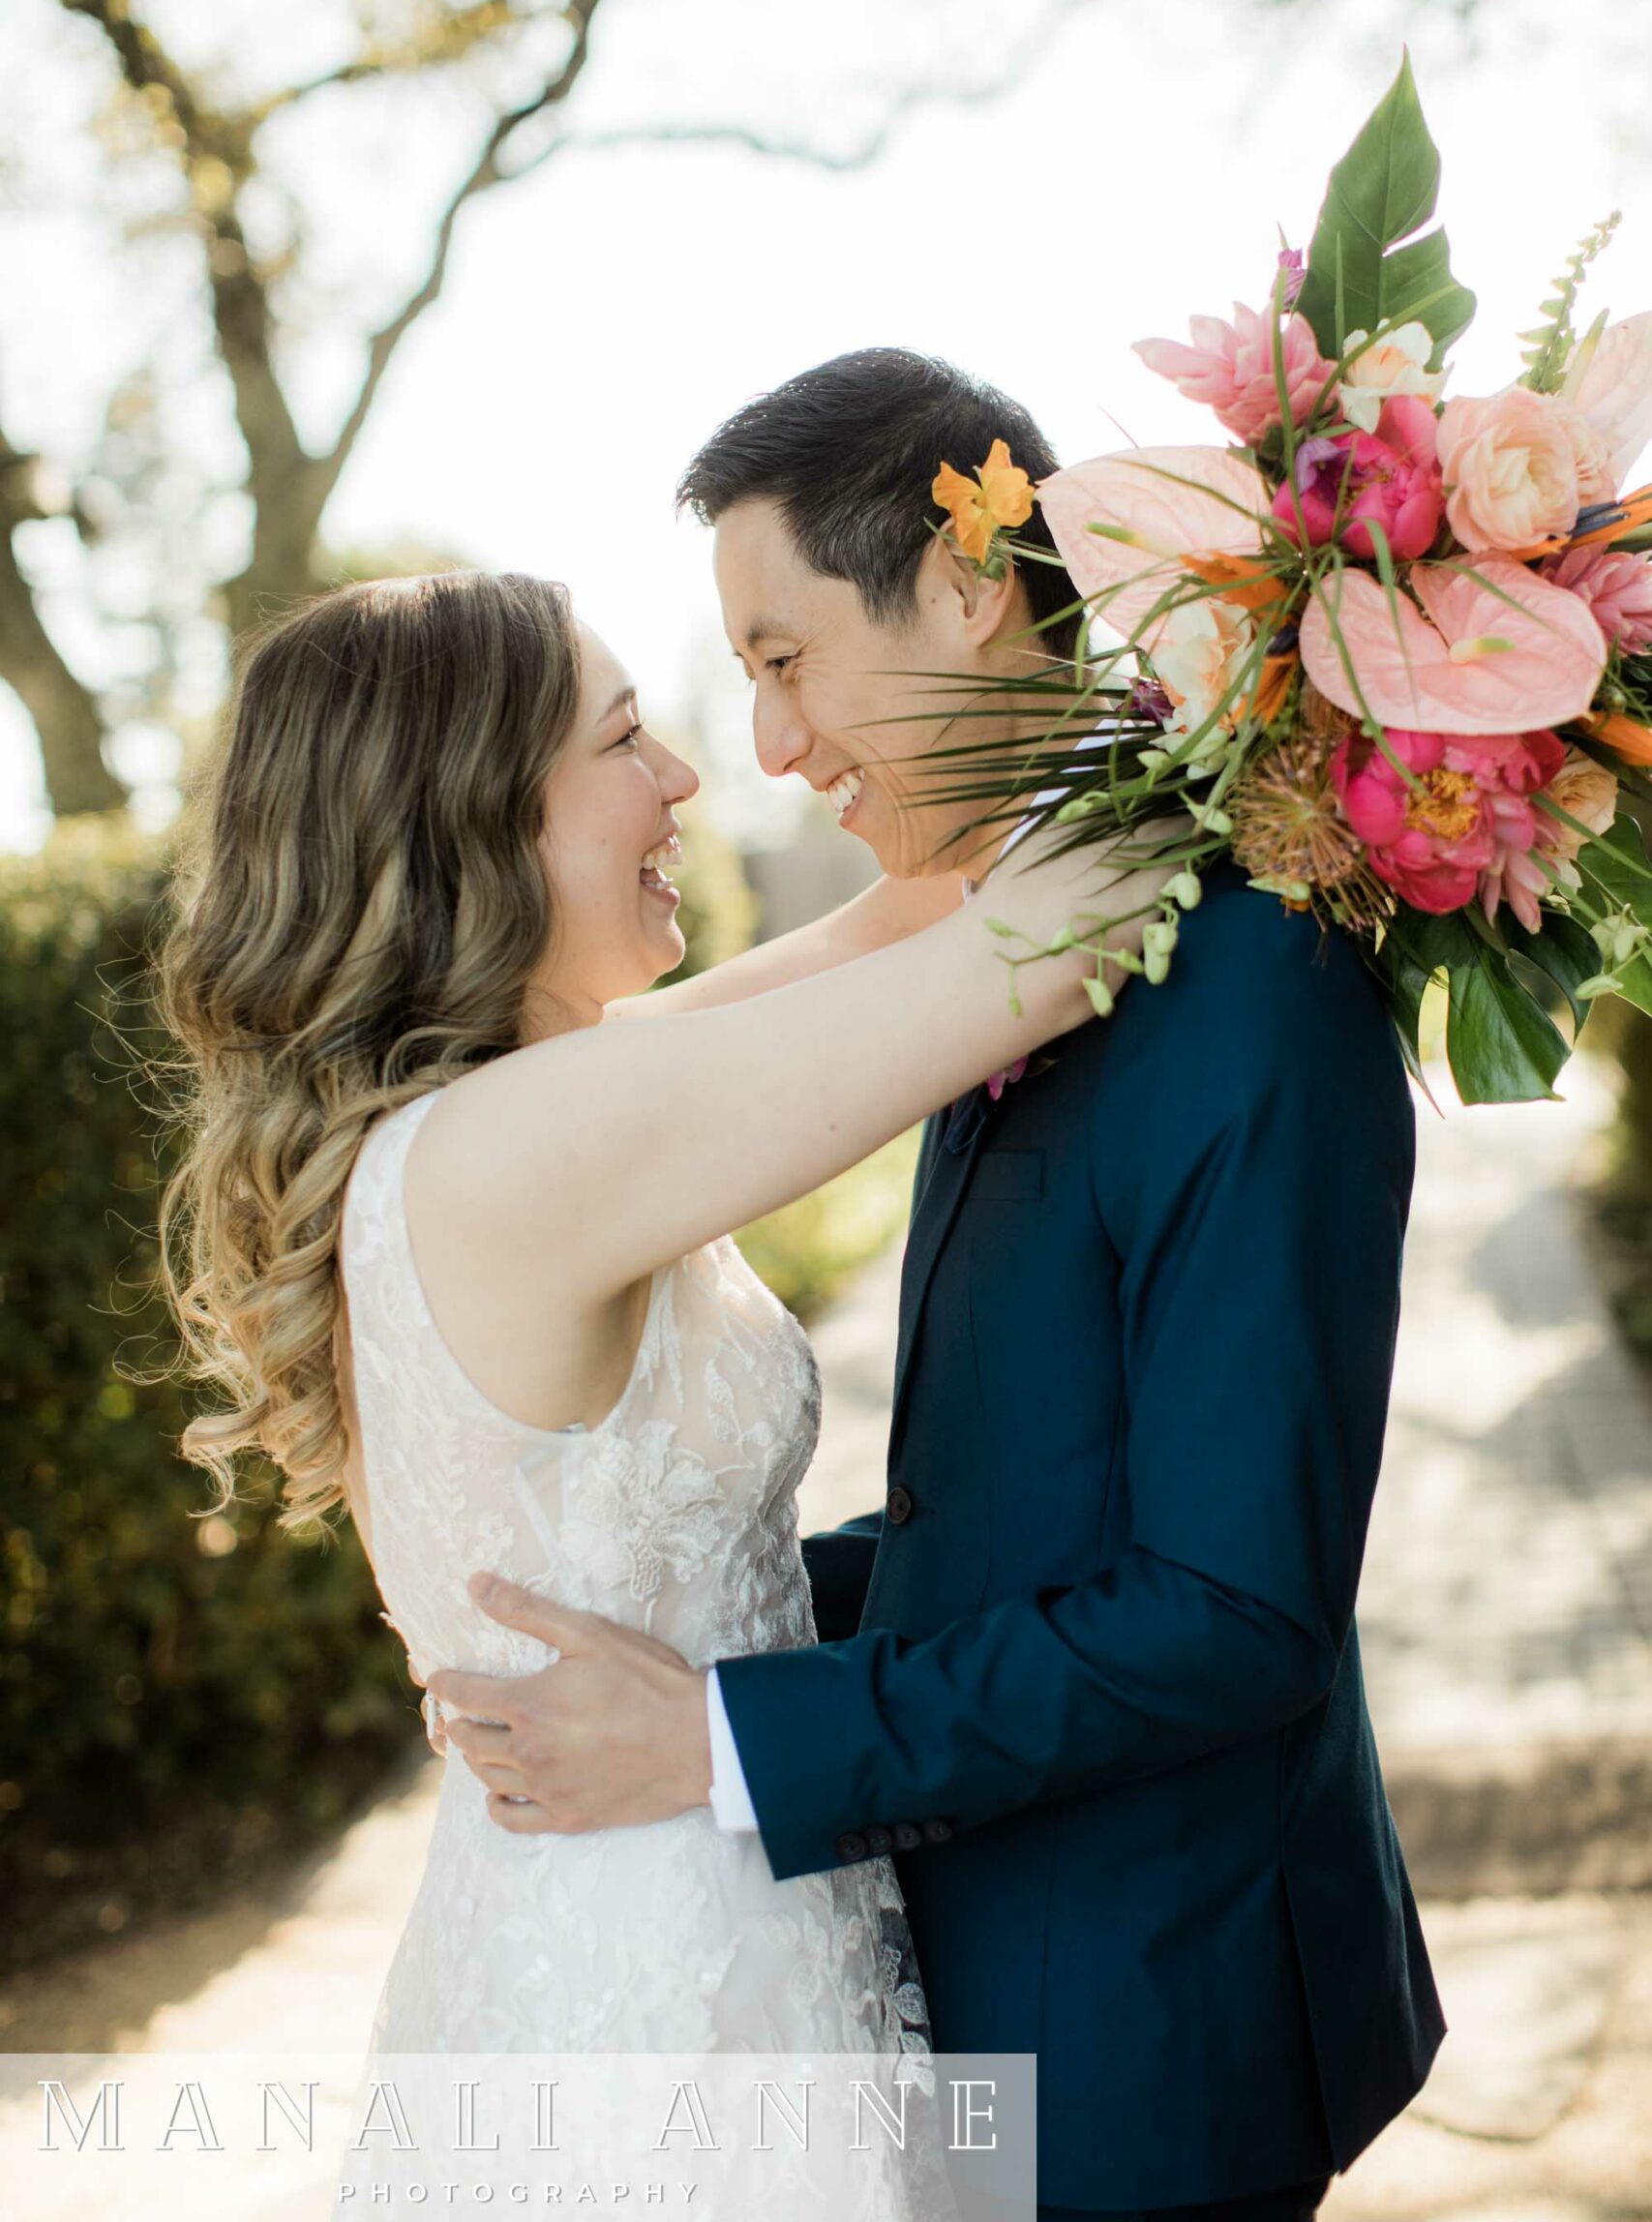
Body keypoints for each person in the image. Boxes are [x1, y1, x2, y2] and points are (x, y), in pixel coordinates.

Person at [434, 349, 1446, 2222]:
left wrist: (728, 1736)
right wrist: (711, 1624)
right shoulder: (1018, 943)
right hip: (964, 1978)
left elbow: (1231, 1611)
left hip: (1144, 2027)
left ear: (972, 581)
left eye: (784, 658)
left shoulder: (1248, 984)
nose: (775, 751)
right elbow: (1023, 1503)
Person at [159, 561, 1164, 2137]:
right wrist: (1292, 669)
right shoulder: (524, 1148)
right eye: (626, 739)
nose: (688, 775)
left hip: (649, 1911)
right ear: (476, 820)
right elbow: (1053, 933)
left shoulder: (533, 1108)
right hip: (665, 1990)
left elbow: (913, 912)